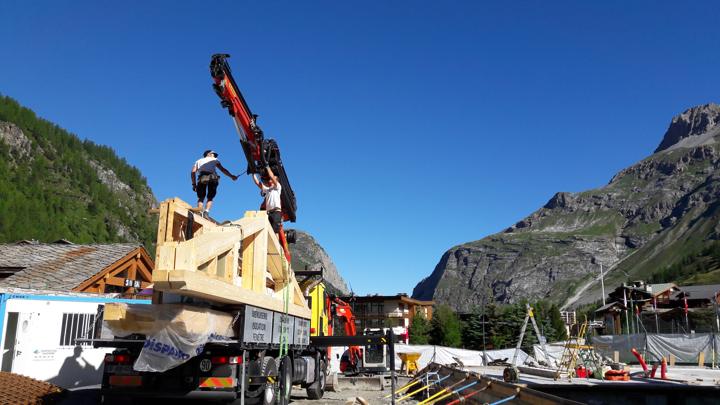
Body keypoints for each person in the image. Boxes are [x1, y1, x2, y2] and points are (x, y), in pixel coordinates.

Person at [191, 149, 238, 217]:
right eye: (214, 154)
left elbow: (193, 172)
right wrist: (231, 176)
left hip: (202, 178)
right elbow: (222, 169)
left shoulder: (198, 161)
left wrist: (194, 184)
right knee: (210, 197)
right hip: (213, 178)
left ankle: (199, 211)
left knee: (201, 197)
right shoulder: (215, 160)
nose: (215, 156)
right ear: (208, 154)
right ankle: (206, 212)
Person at [252, 166, 282, 239]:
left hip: (276, 212)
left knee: (275, 232)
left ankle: (276, 249)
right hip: (268, 213)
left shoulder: (278, 187)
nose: (270, 180)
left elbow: (271, 176)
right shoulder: (267, 189)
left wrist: (267, 167)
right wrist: (252, 173)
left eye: (273, 179)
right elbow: (257, 183)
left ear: (276, 180)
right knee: (268, 231)